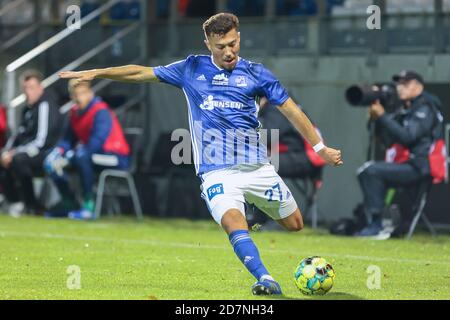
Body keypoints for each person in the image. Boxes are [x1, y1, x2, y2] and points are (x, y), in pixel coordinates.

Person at [59, 12, 342, 295]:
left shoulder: (256, 73)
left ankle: (251, 220)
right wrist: (99, 72)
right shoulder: (191, 69)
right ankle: (266, 280)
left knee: (295, 224)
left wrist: (321, 148)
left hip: (257, 168)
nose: (228, 52)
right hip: (216, 171)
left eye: (233, 44)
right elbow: (141, 72)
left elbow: (292, 110)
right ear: (207, 43)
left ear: (239, 37)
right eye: (221, 46)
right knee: (233, 221)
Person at [356, 70, 442, 238]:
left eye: (405, 84)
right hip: (407, 163)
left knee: (371, 171)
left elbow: (408, 137)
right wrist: (376, 118)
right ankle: (376, 222)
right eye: (399, 84)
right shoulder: (406, 108)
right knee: (367, 170)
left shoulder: (425, 107)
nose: (400, 88)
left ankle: (377, 225)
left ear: (418, 86)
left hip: (420, 166)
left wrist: (383, 116)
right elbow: (388, 141)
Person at [44, 79, 130, 220]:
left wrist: (70, 156)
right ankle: (69, 203)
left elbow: (97, 142)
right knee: (50, 162)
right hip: (90, 155)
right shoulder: (74, 113)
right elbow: (67, 140)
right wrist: (58, 152)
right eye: (75, 94)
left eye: (82, 93)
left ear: (90, 93)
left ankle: (88, 205)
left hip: (116, 157)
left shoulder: (100, 110)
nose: (79, 98)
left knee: (81, 156)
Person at [0, 70, 64, 216]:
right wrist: (6, 151)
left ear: (40, 88)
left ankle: (31, 205)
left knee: (18, 160)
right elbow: (18, 136)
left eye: (32, 88)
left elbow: (42, 140)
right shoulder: (27, 110)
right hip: (27, 150)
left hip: (46, 152)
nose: (28, 92)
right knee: (4, 158)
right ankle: (14, 201)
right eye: (25, 88)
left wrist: (15, 152)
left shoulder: (45, 105)